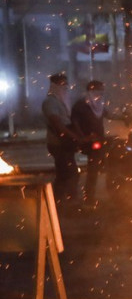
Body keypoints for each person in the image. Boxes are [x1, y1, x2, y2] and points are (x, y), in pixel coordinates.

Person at [70, 80, 125, 208]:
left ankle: (112, 195)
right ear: (90, 91)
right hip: (89, 142)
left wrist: (123, 117)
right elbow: (75, 123)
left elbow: (109, 115)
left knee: (107, 166)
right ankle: (89, 198)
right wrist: (83, 137)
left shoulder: (98, 104)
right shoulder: (81, 105)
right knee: (93, 169)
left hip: (100, 139)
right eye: (97, 91)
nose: (100, 93)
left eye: (102, 91)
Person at [42, 72, 83, 207]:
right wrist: (74, 136)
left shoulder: (61, 101)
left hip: (65, 143)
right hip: (58, 143)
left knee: (66, 173)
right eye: (62, 84)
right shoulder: (50, 102)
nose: (65, 87)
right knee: (67, 174)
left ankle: (60, 202)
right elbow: (57, 124)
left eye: (66, 84)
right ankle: (60, 202)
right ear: (54, 85)